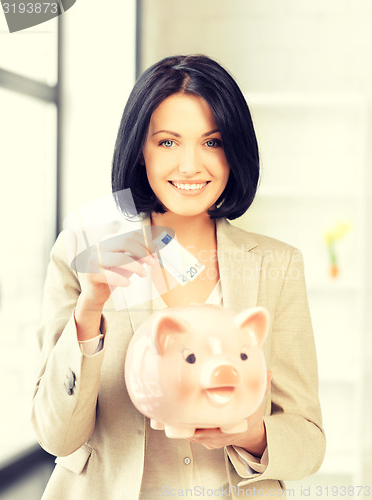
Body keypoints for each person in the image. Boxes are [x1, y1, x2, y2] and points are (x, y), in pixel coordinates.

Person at [31, 55, 326, 499]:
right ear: (140, 150)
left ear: (234, 152)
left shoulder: (275, 265)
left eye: (212, 142)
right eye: (168, 143)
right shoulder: (82, 251)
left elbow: (309, 440)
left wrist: (247, 433)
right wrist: (89, 311)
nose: (190, 166)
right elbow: (56, 435)